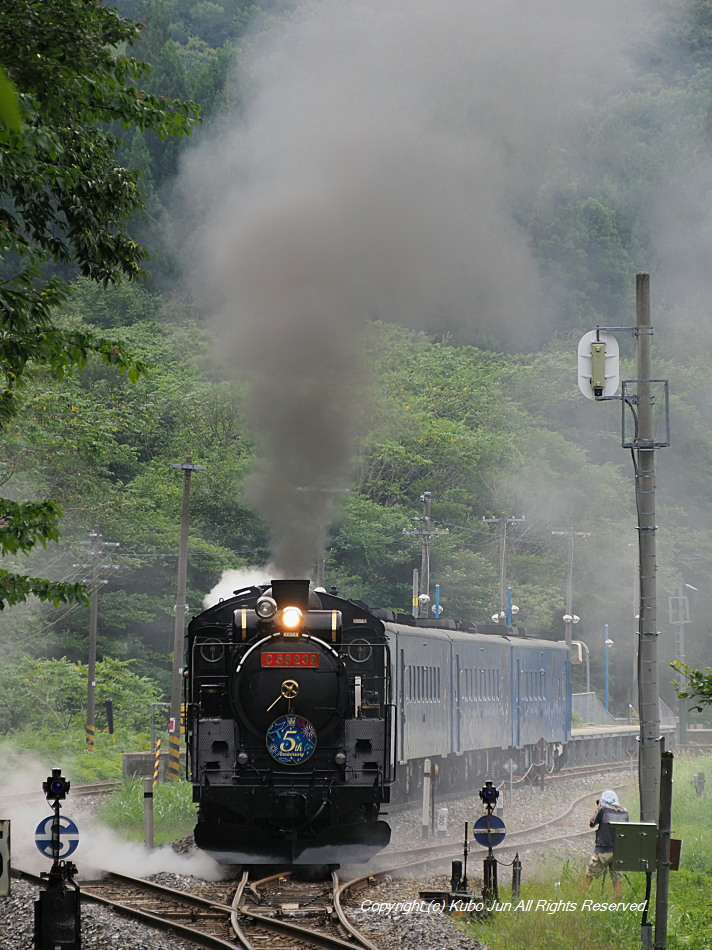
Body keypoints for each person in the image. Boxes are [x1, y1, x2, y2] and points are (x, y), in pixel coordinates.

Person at [583, 789, 629, 897]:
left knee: (588, 876)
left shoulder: (603, 810)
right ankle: (618, 906)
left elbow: (592, 823)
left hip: (603, 851)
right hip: (618, 852)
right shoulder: (624, 812)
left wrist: (597, 808)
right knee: (617, 881)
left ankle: (579, 899)